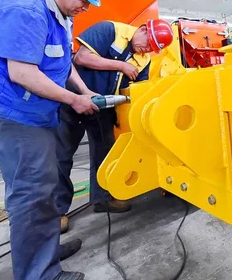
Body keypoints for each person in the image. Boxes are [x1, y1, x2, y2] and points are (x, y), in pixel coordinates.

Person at [0, 0, 108, 280]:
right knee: (32, 193)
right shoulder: (24, 11)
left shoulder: (60, 15)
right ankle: (40, 273)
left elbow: (63, 63)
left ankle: (40, 248)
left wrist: (83, 90)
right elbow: (22, 73)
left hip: (35, 113)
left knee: (41, 187)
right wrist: (74, 101)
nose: (85, 8)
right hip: (12, 113)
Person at [54, 19, 173, 232]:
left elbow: (136, 91)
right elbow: (81, 58)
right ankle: (57, 211)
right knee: (61, 156)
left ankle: (102, 199)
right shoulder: (110, 30)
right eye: (148, 44)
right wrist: (121, 65)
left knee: (104, 153)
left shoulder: (144, 60)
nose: (146, 50)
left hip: (103, 109)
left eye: (152, 49)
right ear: (144, 30)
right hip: (73, 100)